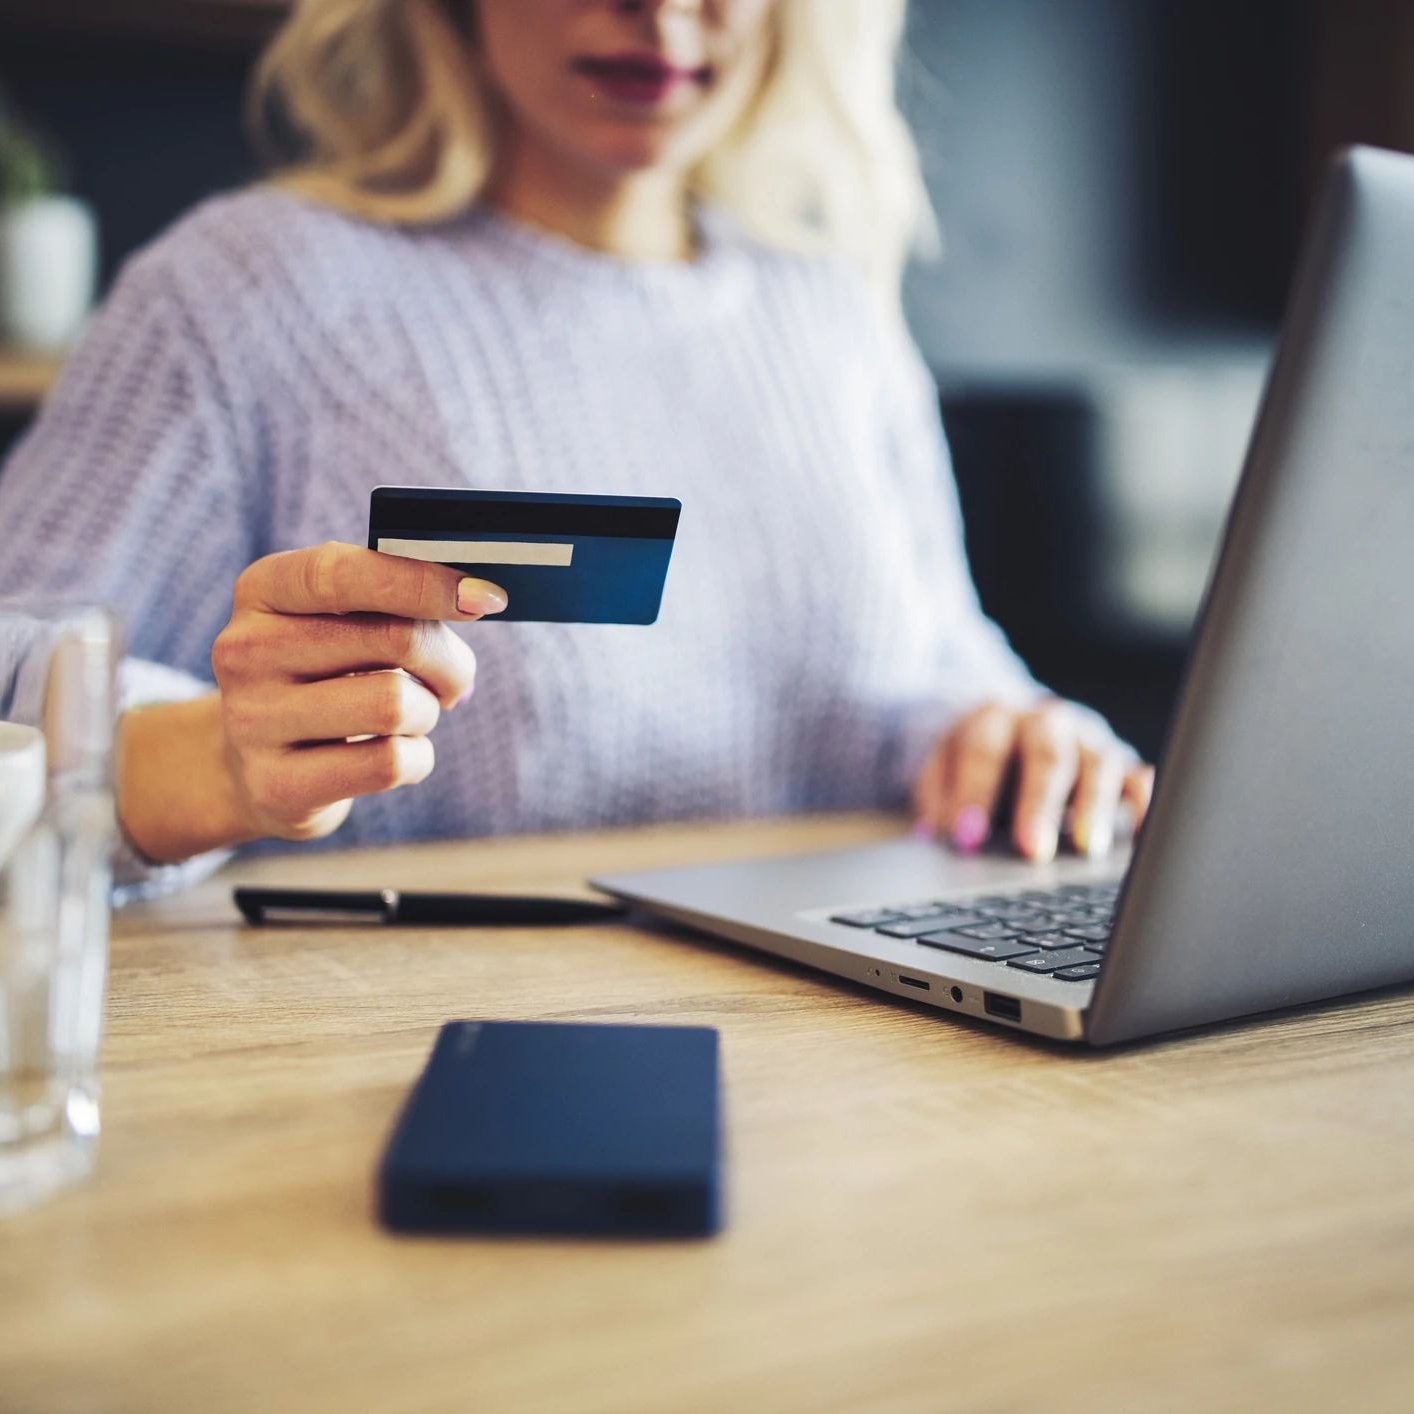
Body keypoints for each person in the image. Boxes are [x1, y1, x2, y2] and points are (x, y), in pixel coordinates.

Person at [0, 0, 1152, 897]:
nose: (658, 11)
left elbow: (939, 667)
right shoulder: (246, 291)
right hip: (402, 1053)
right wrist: (217, 762)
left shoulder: (831, 317)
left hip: (838, 1063)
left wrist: (1008, 733)